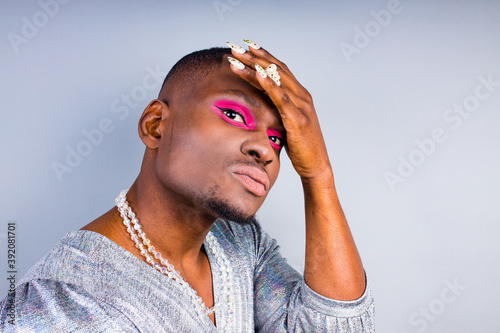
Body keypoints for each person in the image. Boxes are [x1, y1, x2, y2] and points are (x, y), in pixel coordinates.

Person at [0, 40, 374, 332]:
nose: (265, 149)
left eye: (279, 140)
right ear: (155, 126)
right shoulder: (62, 306)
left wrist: (318, 175)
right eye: (233, 114)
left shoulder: (240, 246)